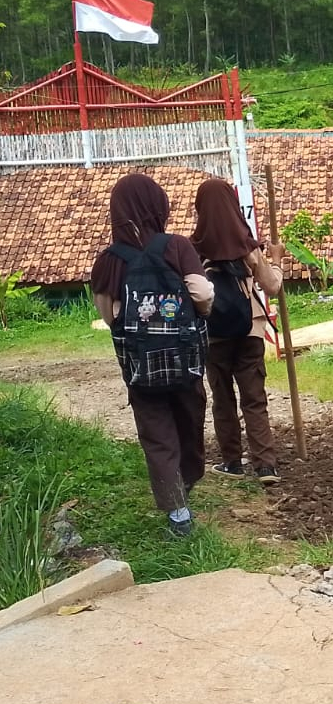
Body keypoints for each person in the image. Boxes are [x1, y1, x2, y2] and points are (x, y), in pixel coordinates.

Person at [89, 173, 214, 536]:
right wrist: (196, 317)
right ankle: (186, 481)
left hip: (140, 367)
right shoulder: (177, 246)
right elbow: (201, 293)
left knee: (156, 433)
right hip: (184, 358)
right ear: (158, 207)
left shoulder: (110, 261)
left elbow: (109, 314)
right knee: (190, 420)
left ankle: (177, 512)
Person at [191, 179, 287, 484]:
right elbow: (272, 286)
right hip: (250, 331)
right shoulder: (247, 247)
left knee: (222, 399)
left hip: (213, 335)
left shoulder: (193, 250)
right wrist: (276, 260)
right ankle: (265, 466)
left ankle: (232, 462)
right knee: (254, 399)